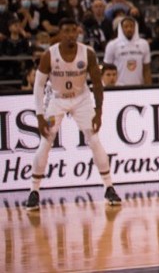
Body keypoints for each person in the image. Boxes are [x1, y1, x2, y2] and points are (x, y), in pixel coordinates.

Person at [25, 18, 122, 210]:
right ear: (60, 34)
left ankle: (109, 187)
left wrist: (98, 110)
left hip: (81, 98)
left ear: (78, 32)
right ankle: (34, 191)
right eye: (66, 31)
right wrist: (39, 115)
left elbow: (96, 82)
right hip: (57, 99)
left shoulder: (87, 53)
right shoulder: (49, 55)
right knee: (45, 142)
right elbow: (38, 86)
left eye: (73, 31)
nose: (70, 34)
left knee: (94, 140)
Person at [103, 16, 151, 86]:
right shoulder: (112, 45)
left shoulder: (144, 44)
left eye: (131, 26)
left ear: (135, 28)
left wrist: (148, 87)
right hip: (118, 87)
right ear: (121, 28)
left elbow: (146, 69)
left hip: (139, 87)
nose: (129, 29)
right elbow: (106, 68)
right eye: (126, 27)